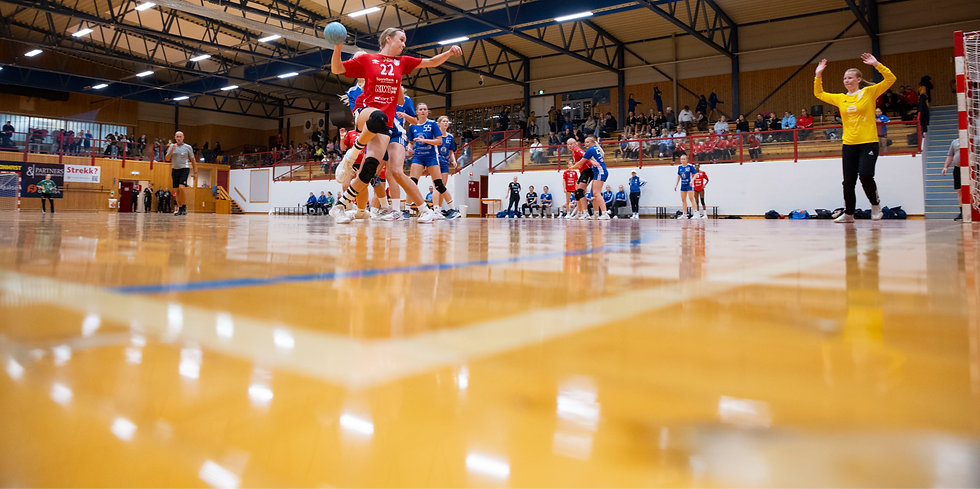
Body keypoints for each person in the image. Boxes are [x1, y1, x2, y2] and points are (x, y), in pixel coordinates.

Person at [329, 27, 461, 224]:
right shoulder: (368, 59)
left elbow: (432, 62)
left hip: (386, 125)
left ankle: (340, 206)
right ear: (388, 39)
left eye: (405, 40)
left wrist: (449, 53)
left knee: (370, 169)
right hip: (368, 113)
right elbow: (337, 69)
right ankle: (352, 153)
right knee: (378, 116)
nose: (404, 44)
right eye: (401, 39)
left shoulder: (402, 62)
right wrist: (338, 46)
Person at [814, 52, 896, 223]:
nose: (847, 81)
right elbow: (819, 93)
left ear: (859, 79)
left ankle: (875, 204)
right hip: (849, 144)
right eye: (845, 78)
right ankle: (849, 214)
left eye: (850, 78)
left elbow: (890, 79)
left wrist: (877, 64)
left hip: (868, 142)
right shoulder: (841, 98)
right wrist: (818, 74)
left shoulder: (868, 92)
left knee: (865, 175)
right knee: (848, 181)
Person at [571, 136, 611, 220]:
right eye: (585, 142)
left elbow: (580, 163)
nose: (586, 144)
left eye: (588, 142)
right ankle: (596, 214)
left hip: (600, 172)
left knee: (596, 193)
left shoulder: (590, 150)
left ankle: (605, 213)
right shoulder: (596, 149)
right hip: (597, 172)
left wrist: (572, 167)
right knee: (594, 194)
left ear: (592, 142)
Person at [434, 115, 461, 218]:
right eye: (444, 121)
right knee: (437, 185)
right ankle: (435, 210)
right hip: (436, 162)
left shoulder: (450, 137)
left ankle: (440, 210)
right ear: (439, 123)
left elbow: (451, 151)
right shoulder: (435, 135)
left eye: (447, 121)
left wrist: (454, 160)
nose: (446, 123)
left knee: (443, 187)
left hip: (445, 163)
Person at [165, 130, 197, 216]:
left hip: (184, 169)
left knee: (182, 187)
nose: (179, 138)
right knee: (177, 190)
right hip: (175, 170)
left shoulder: (188, 147)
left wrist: (195, 172)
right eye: (177, 137)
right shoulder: (172, 146)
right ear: (175, 138)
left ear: (183, 137)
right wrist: (171, 150)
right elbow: (167, 158)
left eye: (180, 137)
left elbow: (193, 160)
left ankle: (184, 207)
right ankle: (180, 208)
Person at [941, 138, 963, 220]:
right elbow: (950, 155)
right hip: (958, 168)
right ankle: (962, 212)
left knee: (974, 190)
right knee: (959, 190)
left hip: (971, 168)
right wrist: (945, 167)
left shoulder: (976, 140)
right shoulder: (955, 142)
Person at [674, 154, 696, 219]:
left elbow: (696, 174)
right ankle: (684, 214)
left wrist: (692, 181)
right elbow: (679, 176)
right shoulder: (680, 167)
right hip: (683, 185)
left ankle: (695, 214)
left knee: (691, 198)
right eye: (682, 159)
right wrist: (676, 185)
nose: (683, 160)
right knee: (683, 199)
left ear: (686, 160)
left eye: (684, 159)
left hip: (689, 184)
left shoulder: (690, 166)